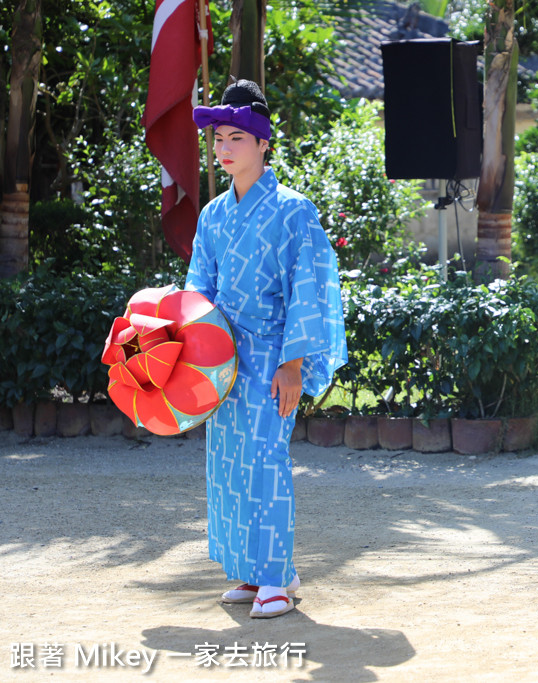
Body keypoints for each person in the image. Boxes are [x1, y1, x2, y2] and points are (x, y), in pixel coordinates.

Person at [188, 80, 347, 618]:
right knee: (228, 463)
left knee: (265, 461)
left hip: (274, 355)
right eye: (219, 139)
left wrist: (293, 364)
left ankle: (278, 575)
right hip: (222, 358)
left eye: (237, 137)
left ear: (263, 144)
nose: (224, 148)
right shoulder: (212, 216)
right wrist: (189, 351)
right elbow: (198, 292)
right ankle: (256, 573)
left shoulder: (293, 210)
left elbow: (310, 286)